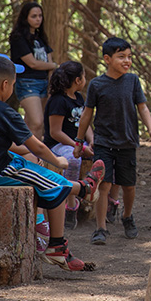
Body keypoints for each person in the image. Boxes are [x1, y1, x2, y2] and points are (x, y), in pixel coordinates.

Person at [0, 55, 104, 272]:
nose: (12, 88)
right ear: (5, 85)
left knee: (40, 172)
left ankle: (61, 237)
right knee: (50, 182)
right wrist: (57, 159)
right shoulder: (4, 112)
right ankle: (83, 191)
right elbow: (38, 147)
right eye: (13, 84)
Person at [74, 37, 151, 245]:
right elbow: (86, 114)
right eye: (121, 57)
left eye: (129, 57)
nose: (127, 61)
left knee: (129, 186)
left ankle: (127, 216)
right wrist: (79, 140)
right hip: (103, 143)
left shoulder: (132, 81)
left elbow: (143, 107)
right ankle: (101, 228)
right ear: (107, 59)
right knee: (104, 185)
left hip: (128, 142)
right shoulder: (97, 85)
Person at [44, 61, 94, 230]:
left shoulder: (79, 98)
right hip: (59, 145)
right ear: (78, 80)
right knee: (72, 159)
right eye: (84, 76)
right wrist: (77, 145)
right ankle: (71, 203)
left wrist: (91, 141)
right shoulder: (58, 101)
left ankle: (106, 203)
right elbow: (55, 132)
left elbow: (84, 124)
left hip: (78, 142)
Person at [9, 1, 57, 139]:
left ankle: (26, 156)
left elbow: (48, 61)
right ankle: (36, 158)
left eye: (40, 16)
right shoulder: (18, 38)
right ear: (25, 18)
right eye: (34, 16)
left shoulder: (41, 38)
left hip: (44, 83)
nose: (38, 19)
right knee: (37, 122)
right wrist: (54, 65)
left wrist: (51, 82)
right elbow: (33, 63)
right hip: (27, 83)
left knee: (32, 124)